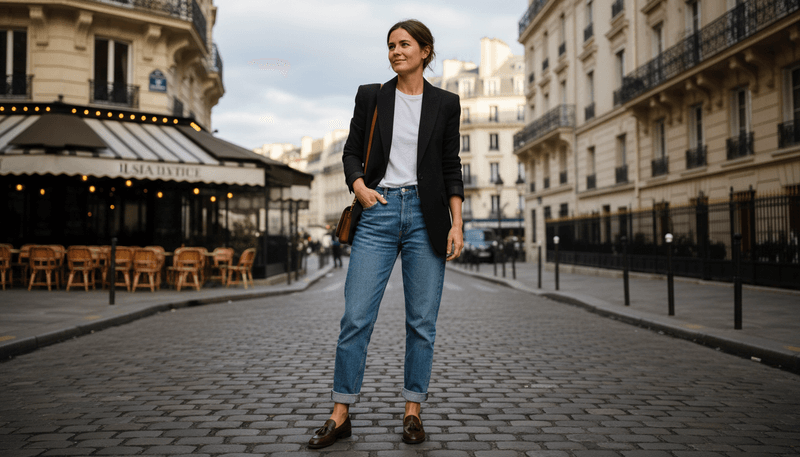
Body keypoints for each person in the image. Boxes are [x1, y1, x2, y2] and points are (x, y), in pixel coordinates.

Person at [308, 19, 463, 449]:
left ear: (425, 51)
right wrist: (359, 187)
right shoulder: (372, 95)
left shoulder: (446, 103)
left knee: (422, 322)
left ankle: (413, 411)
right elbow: (352, 150)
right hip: (377, 212)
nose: (396, 51)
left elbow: (451, 167)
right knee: (356, 316)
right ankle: (340, 414)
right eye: (391, 45)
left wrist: (458, 224)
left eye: (405, 44)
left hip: (426, 216)